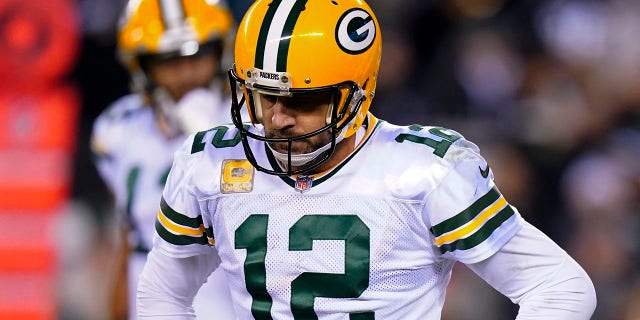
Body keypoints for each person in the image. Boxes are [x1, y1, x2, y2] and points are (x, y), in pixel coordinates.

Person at [137, 0, 597, 319]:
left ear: (358, 96)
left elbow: (560, 287)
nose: (278, 119)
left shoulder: (423, 171)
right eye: (262, 95)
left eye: (302, 101)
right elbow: (162, 293)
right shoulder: (209, 162)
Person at [90, 0, 239, 319]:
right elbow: (130, 237)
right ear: (142, 66)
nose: (185, 73)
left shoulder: (251, 122)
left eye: (198, 55)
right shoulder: (118, 129)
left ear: (220, 51)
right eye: (168, 61)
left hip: (226, 298)